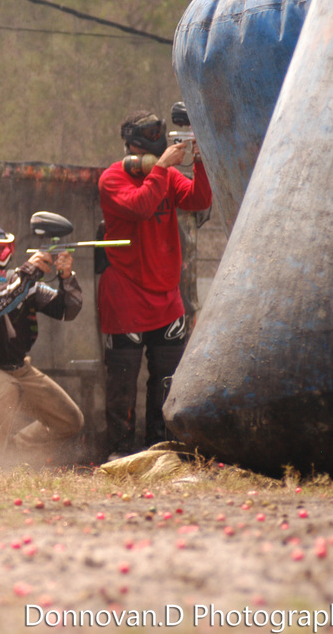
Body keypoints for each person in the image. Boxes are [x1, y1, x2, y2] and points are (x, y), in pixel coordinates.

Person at [97, 108, 212, 460]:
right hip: (125, 295)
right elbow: (141, 206)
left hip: (166, 297)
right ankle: (120, 452)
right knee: (123, 382)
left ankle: (159, 449)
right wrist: (161, 167)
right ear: (131, 144)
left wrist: (200, 161)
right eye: (148, 138)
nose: (155, 143)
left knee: (166, 380)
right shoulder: (111, 178)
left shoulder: (168, 176)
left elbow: (199, 200)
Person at [0, 223, 85, 463]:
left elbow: (66, 310)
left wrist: (66, 277)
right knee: (5, 388)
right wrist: (26, 275)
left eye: (7, 249)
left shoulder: (21, 284)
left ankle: (14, 452)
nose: (4, 256)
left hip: (18, 369)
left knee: (70, 420)